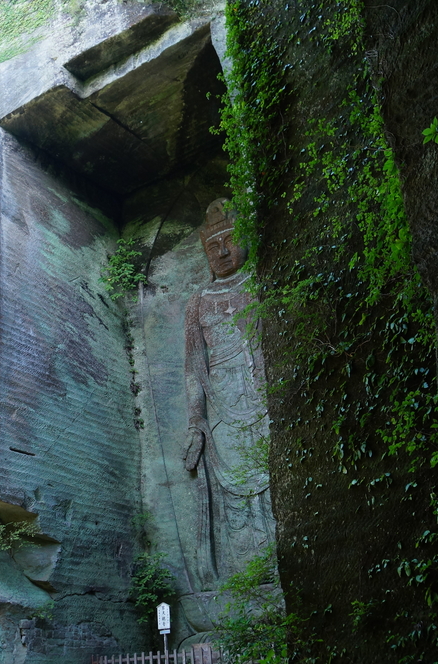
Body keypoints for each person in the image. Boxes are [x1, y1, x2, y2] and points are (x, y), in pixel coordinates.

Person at [183, 198, 272, 587]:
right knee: (233, 499)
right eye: (212, 247)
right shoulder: (199, 303)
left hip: (261, 396)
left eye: (229, 241)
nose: (221, 252)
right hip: (221, 409)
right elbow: (192, 366)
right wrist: (196, 421)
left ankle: (280, 567)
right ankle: (248, 579)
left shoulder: (261, 283)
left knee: (272, 488)